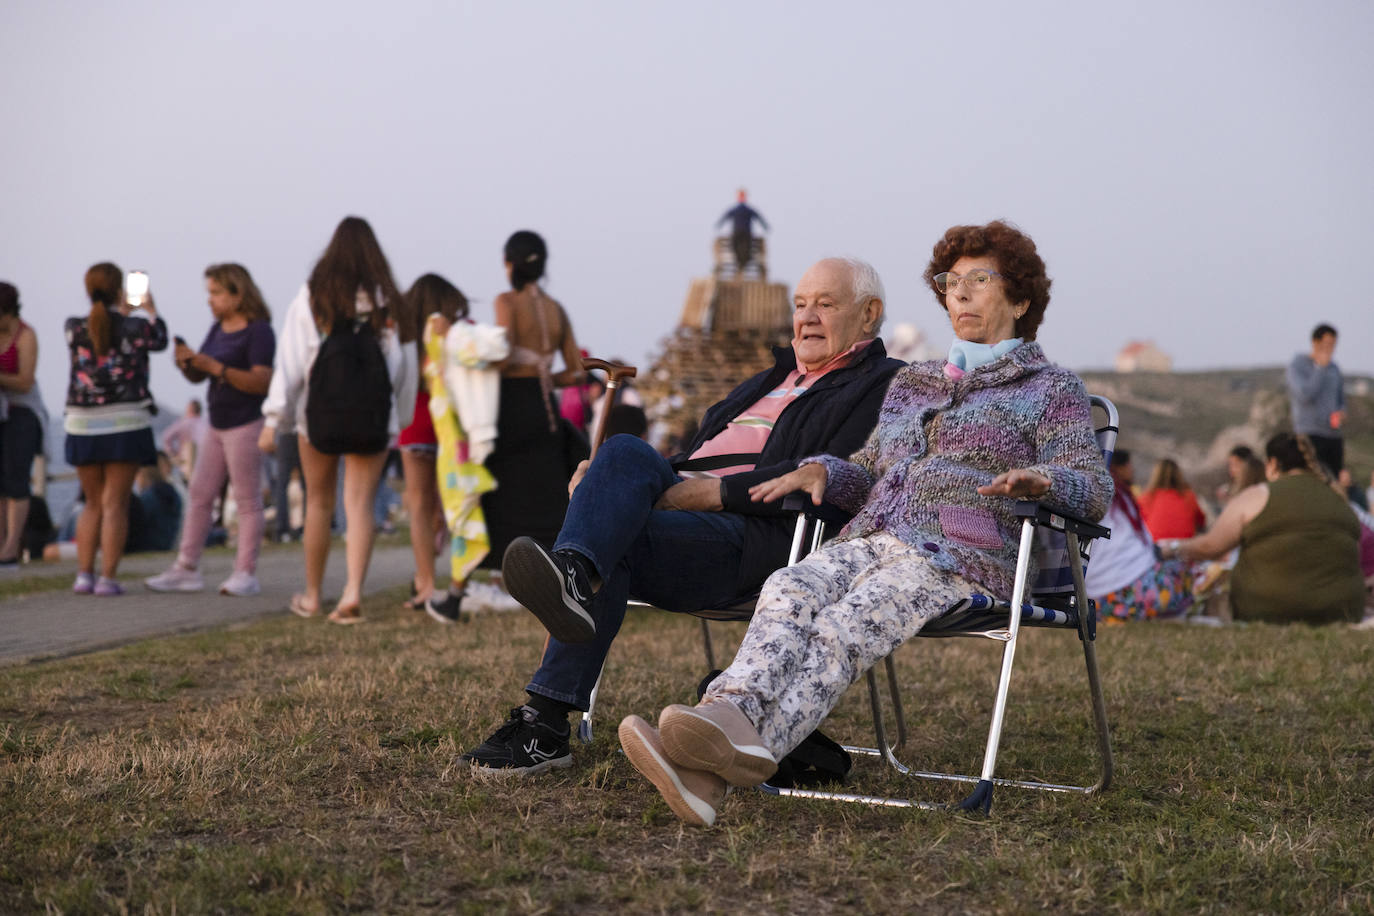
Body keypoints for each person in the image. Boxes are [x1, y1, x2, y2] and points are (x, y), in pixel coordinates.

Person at [615, 220, 1112, 827]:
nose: (959, 294)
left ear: (1020, 298)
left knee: (850, 620)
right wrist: (823, 471)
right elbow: (871, 470)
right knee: (789, 587)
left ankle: (716, 758)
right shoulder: (915, 383)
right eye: (950, 282)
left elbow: (1092, 488)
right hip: (877, 535)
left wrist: (1044, 481)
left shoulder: (1051, 388)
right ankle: (723, 728)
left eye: (978, 281)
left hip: (965, 555)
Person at [459, 255, 904, 774]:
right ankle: (574, 577)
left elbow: (839, 476)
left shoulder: (885, 385)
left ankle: (544, 720)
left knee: (617, 516)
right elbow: (685, 460)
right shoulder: (766, 381)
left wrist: (715, 494)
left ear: (869, 314)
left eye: (825, 305)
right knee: (619, 456)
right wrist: (608, 487)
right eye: (800, 305)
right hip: (689, 514)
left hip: (763, 535)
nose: (805, 317)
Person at [259, 216, 417, 624]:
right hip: (373, 415)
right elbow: (405, 366)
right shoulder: (389, 302)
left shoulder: (314, 296)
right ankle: (351, 596)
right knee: (360, 504)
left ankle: (312, 596)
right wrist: (400, 418)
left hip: (319, 413)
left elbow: (291, 362)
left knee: (318, 502)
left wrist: (275, 418)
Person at [145, 264, 276, 597]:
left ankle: (245, 572)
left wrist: (216, 367)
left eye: (216, 293)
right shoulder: (217, 329)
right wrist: (187, 363)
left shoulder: (259, 332)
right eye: (209, 293)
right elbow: (201, 375)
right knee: (201, 495)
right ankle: (186, 567)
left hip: (246, 423)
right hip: (216, 423)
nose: (210, 300)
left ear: (237, 293)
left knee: (247, 500)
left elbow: (262, 381)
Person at [1162, 432, 1363, 625]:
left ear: (1273, 464)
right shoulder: (1339, 498)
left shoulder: (1258, 496)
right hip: (1343, 609)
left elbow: (1210, 547)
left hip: (1270, 609)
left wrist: (1171, 548)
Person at [480, 230, 586, 565]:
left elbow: (503, 353)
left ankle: (504, 571)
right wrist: (545, 374)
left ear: (509, 263)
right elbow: (577, 372)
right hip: (546, 409)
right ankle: (551, 563)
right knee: (545, 491)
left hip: (512, 405)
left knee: (506, 492)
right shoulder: (557, 309)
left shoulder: (506, 302)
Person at [63, 262, 169, 595]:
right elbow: (160, 339)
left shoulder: (72, 328)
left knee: (92, 503)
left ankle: (84, 575)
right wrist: (148, 309)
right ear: (120, 290)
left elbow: (101, 330)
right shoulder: (137, 327)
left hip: (82, 422)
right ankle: (108, 578)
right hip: (126, 421)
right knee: (115, 503)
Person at [397, 273, 469, 616]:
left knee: (420, 507)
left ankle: (424, 582)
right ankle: (457, 580)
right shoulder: (451, 335)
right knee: (455, 505)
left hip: (413, 422)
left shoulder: (406, 336)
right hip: (449, 423)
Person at [1084, 450, 1193, 621]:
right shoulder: (1120, 495)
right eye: (1130, 466)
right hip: (1131, 593)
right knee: (1186, 571)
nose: (1133, 470)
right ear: (1123, 467)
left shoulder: (1087, 492)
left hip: (1093, 602)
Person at [0, 282, 47, 568]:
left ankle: (11, 545)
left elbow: (25, 381)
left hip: (22, 411)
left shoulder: (26, 335)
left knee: (17, 478)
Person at [1287, 324, 1345, 475]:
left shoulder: (1335, 368)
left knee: (1334, 478)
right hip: (1309, 433)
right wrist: (1320, 368)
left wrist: (1342, 412)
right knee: (1312, 477)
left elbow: (1340, 398)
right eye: (1327, 344)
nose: (1330, 349)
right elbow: (1304, 394)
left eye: (1333, 345)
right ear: (1315, 342)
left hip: (1333, 434)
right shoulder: (1298, 365)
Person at [1137, 458, 1206, 540]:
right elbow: (1201, 521)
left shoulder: (1145, 497)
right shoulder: (1189, 496)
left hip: (1155, 545)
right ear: (1178, 475)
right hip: (1184, 545)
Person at [716, 189, 769, 274]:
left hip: (744, 234)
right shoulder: (745, 210)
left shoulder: (741, 210)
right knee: (740, 247)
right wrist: (765, 226)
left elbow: (725, 217)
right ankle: (741, 264)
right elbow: (759, 217)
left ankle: (741, 264)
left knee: (742, 247)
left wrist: (719, 224)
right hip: (740, 234)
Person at [159, 399, 205, 484]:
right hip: (204, 467)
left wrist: (173, 455)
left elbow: (166, 437)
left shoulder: (183, 423)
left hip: (186, 466)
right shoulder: (206, 424)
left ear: (189, 409)